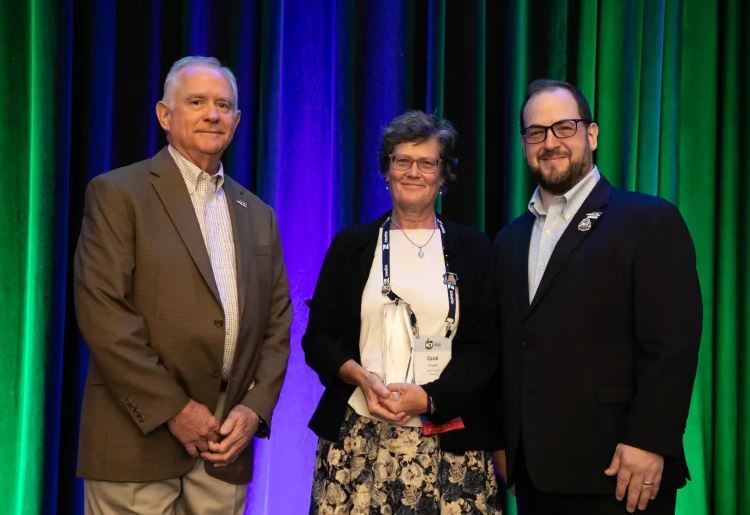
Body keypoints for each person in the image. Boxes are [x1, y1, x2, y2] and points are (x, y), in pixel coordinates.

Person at [74, 56, 291, 514]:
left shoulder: (259, 213)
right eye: (197, 102)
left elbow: (277, 325)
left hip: (224, 447)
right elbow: (104, 314)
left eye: (223, 104)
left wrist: (253, 410)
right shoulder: (118, 193)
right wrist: (175, 410)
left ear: (237, 120)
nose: (213, 114)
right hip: (138, 436)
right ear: (164, 115)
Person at [493, 79, 702, 514]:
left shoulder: (649, 221)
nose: (550, 142)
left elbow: (672, 346)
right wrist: (504, 440)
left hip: (621, 472)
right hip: (534, 474)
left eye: (564, 128)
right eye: (536, 132)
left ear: (591, 135)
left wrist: (649, 440)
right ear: (524, 144)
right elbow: (510, 348)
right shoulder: (509, 240)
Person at [303, 110, 502, 514]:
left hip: (448, 442)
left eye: (427, 162)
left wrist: (429, 398)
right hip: (357, 439)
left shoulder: (474, 249)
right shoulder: (351, 245)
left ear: (443, 175)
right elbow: (318, 339)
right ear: (386, 170)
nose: (414, 172)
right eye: (402, 161)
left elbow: (486, 349)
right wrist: (359, 377)